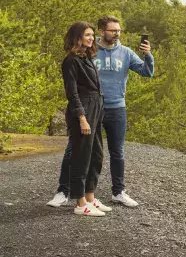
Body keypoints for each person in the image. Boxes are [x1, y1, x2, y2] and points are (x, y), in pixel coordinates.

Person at [47, 16, 154, 208]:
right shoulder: (89, 51)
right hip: (91, 109)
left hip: (116, 107)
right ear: (102, 31)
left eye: (119, 31)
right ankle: (64, 191)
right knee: (75, 149)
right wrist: (80, 114)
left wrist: (148, 55)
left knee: (114, 151)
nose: (117, 34)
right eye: (113, 30)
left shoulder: (126, 53)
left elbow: (147, 72)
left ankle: (118, 192)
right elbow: (72, 81)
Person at [61, 22, 110, 217]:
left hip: (96, 108)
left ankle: (90, 197)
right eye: (87, 35)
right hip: (83, 109)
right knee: (81, 157)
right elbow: (72, 93)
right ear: (77, 37)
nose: (91, 38)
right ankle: (80, 203)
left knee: (96, 155)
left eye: (92, 35)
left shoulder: (86, 57)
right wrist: (82, 118)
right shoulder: (71, 61)